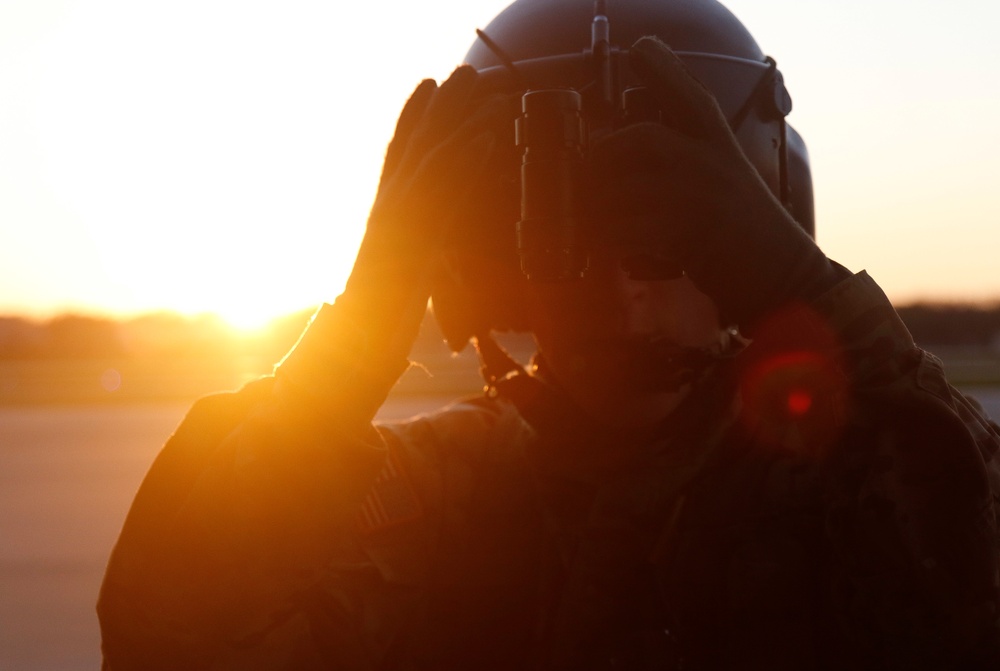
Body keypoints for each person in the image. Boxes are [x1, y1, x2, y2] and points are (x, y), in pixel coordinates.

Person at [98, 0, 1000, 668]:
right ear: (487, 261)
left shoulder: (861, 485)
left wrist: (810, 297)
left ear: (757, 237)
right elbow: (174, 640)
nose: (620, 294)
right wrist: (345, 356)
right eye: (568, 243)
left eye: (670, 238)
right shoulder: (427, 501)